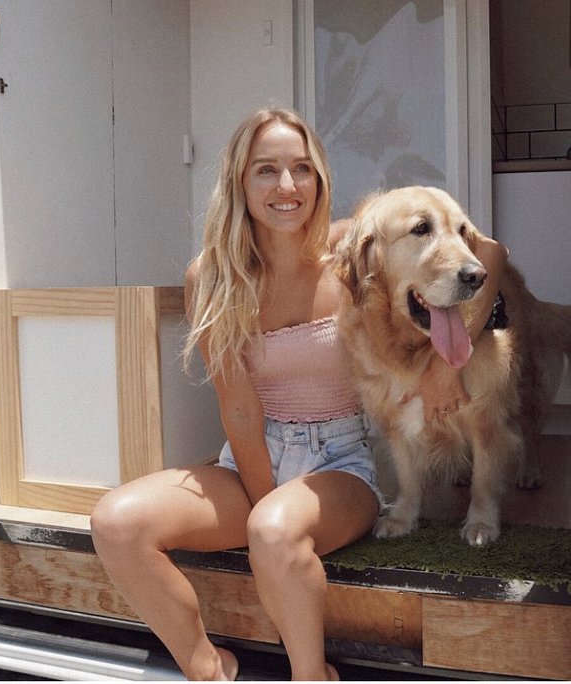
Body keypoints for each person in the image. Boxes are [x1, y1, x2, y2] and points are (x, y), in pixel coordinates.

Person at [91, 107, 507, 681]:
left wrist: (443, 368)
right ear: (240, 182)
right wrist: (265, 505)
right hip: (250, 460)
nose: (287, 186)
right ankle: (206, 666)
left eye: (302, 168)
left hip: (339, 464)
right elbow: (240, 409)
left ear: (319, 178)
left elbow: (489, 254)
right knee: (115, 523)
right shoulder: (210, 276)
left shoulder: (349, 249)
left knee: (272, 531)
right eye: (266, 170)